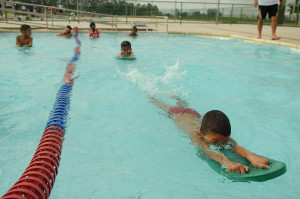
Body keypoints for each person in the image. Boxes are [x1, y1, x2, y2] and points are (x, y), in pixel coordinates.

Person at [149, 96, 270, 174]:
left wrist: (250, 155)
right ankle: (152, 96)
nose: (220, 144)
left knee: (183, 103)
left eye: (223, 141)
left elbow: (233, 145)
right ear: (200, 133)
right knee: (161, 104)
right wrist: (227, 162)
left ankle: (177, 97)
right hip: (176, 114)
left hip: (193, 114)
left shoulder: (215, 134)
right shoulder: (195, 135)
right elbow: (206, 150)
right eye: (214, 142)